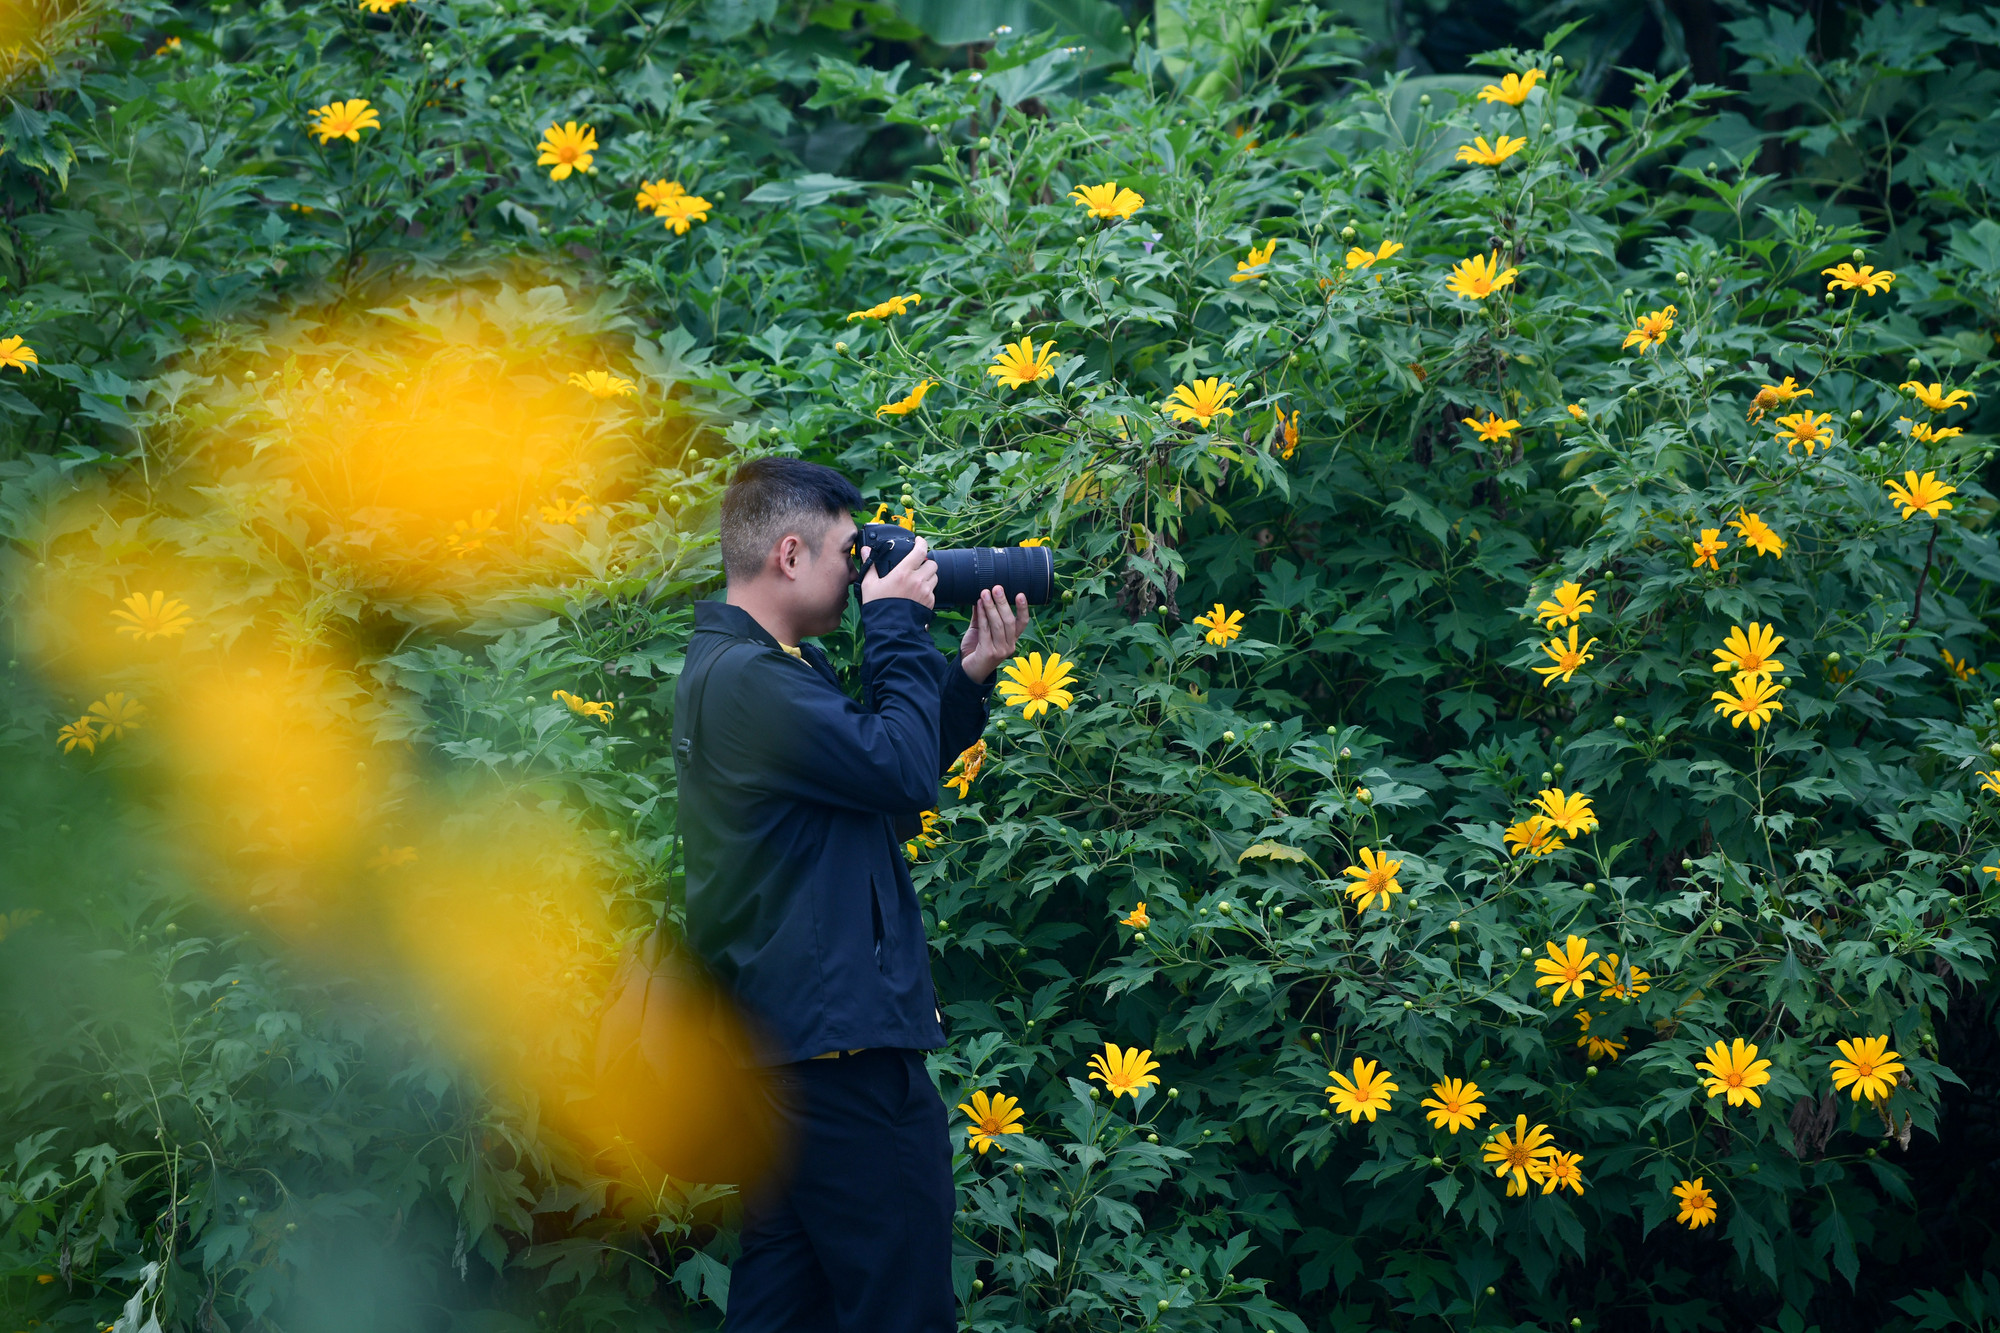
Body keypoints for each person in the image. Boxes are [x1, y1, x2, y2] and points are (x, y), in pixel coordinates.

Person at [674, 457, 1029, 1331]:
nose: (861, 573)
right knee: (900, 1306)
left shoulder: (748, 671)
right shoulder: (750, 680)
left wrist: (966, 677)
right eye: (849, 551)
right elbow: (897, 768)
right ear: (789, 554)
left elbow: (875, 787)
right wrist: (900, 626)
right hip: (841, 1059)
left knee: (781, 1305)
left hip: (794, 1054)